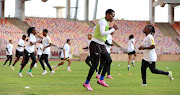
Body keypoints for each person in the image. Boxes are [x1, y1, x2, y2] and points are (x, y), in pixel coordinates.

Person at [83, 9, 118, 91]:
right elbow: (102, 33)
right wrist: (113, 29)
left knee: (108, 60)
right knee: (95, 64)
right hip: (95, 44)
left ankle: (101, 79)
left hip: (101, 45)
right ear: (108, 14)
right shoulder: (102, 21)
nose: (113, 17)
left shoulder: (106, 22)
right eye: (112, 16)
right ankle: (87, 83)